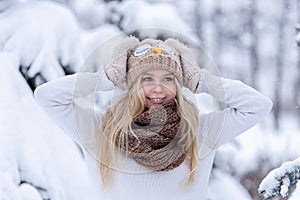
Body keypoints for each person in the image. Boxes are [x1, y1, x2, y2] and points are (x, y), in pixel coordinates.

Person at [34, 36, 273, 200]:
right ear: (132, 83)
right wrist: (105, 78)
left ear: (180, 85)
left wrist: (201, 81)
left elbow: (258, 105)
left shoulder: (200, 131)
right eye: (146, 78)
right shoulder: (99, 130)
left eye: (168, 79)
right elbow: (47, 96)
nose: (158, 88)